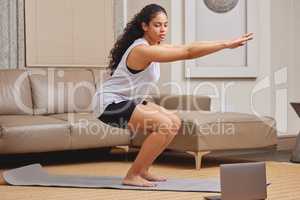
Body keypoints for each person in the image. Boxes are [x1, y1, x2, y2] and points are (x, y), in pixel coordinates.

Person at [93, 4, 253, 187]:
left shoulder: (153, 46)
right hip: (108, 103)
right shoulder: (142, 50)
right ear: (145, 26)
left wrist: (224, 43)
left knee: (174, 121)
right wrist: (225, 45)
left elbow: (188, 47)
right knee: (164, 125)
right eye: (157, 25)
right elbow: (187, 53)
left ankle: (144, 170)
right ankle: (133, 175)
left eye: (165, 25)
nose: (163, 30)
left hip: (127, 100)